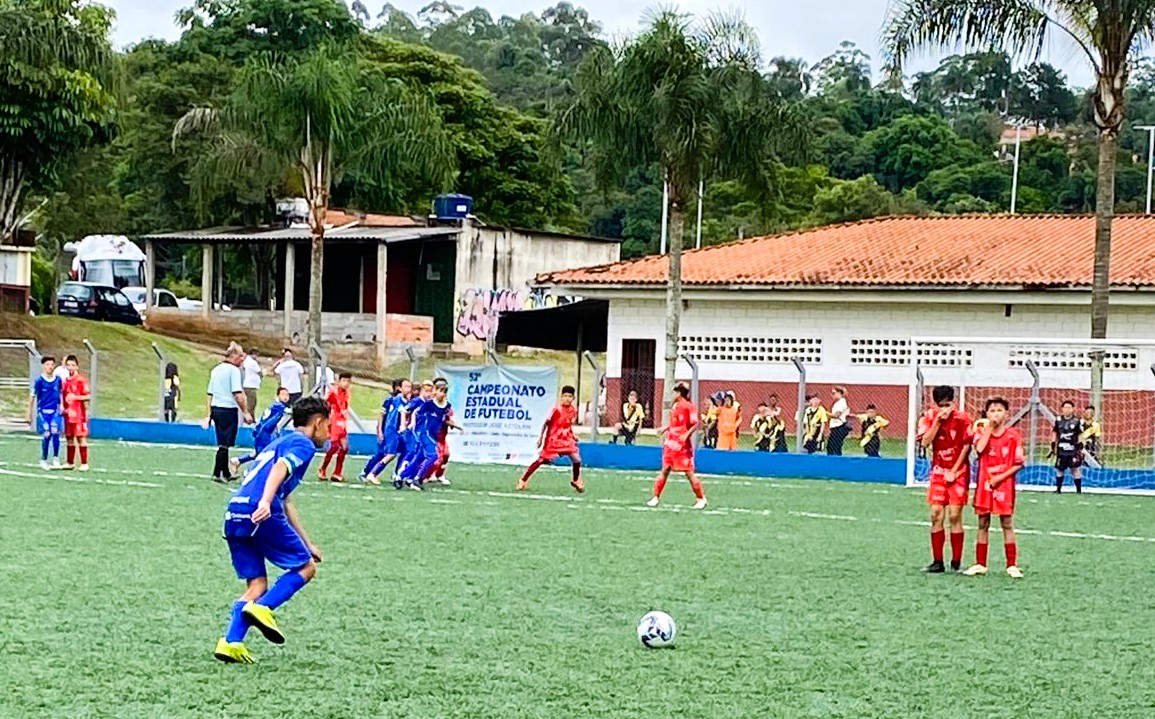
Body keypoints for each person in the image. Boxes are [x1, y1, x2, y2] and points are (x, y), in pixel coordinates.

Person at [214, 396, 330, 664]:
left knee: (257, 584)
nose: (329, 431)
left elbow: (286, 500)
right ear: (317, 422)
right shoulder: (302, 444)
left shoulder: (278, 442)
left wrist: (307, 542)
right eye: (328, 424)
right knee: (306, 568)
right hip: (259, 510)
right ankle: (263, 608)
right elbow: (280, 469)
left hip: (235, 511)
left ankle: (230, 642)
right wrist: (266, 502)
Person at [963, 397, 1025, 579]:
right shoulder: (982, 432)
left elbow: (1019, 463)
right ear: (987, 414)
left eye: (999, 410)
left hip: (1004, 484)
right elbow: (980, 450)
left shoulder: (1013, 436)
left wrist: (1000, 477)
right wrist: (989, 429)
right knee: (983, 523)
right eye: (992, 410)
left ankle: (1012, 565)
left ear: (1006, 414)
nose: (995, 414)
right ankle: (980, 563)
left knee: (1006, 523)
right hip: (984, 484)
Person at [917, 386, 972, 573]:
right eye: (941, 405)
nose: (944, 409)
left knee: (955, 515)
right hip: (938, 471)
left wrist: (955, 471)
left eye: (947, 405)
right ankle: (937, 561)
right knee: (936, 514)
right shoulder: (928, 418)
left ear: (953, 403)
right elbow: (924, 442)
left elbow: (967, 446)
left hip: (958, 471)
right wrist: (937, 423)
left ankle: (956, 561)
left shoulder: (963, 418)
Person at [648, 383, 706, 509]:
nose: (673, 395)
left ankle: (701, 498)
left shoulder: (689, 407)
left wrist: (686, 434)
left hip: (682, 445)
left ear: (679, 393)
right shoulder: (675, 406)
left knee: (689, 472)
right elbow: (674, 424)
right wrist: (665, 428)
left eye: (675, 392)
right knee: (665, 469)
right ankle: (655, 497)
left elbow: (695, 424)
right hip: (671, 442)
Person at [517, 385, 585, 494]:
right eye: (565, 396)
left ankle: (576, 480)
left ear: (573, 398)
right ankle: (523, 479)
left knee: (577, 459)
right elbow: (546, 423)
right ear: (561, 397)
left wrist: (573, 435)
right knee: (542, 460)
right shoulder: (556, 410)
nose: (567, 398)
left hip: (566, 439)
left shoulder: (573, 410)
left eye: (570, 396)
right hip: (554, 440)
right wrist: (540, 438)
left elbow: (567, 425)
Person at [398, 378, 459, 490]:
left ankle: (402, 476)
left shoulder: (447, 406)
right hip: (425, 433)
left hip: (434, 434)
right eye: (440, 391)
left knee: (419, 457)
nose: (442, 394)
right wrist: (410, 424)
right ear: (435, 391)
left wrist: (455, 425)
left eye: (444, 392)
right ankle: (418, 479)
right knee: (433, 455)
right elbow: (414, 412)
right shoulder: (428, 404)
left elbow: (443, 419)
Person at [204, 343, 253, 483]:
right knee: (225, 443)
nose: (242, 359)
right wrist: (245, 412)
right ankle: (218, 473)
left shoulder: (216, 370)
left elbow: (210, 393)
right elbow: (237, 393)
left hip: (216, 408)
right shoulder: (233, 371)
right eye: (240, 355)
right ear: (232, 356)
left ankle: (223, 471)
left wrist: (209, 414)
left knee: (222, 441)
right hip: (228, 408)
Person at [231, 386, 292, 476]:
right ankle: (249, 471)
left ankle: (237, 461)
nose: (285, 397)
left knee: (256, 453)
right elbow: (289, 412)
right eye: (283, 394)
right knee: (266, 454)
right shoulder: (279, 406)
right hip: (264, 433)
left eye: (287, 395)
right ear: (277, 396)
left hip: (263, 432)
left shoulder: (277, 406)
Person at [360, 379, 411, 485]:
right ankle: (368, 472)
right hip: (390, 430)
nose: (409, 389)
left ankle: (397, 474)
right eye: (406, 386)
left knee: (405, 451)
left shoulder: (406, 401)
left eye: (409, 387)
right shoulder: (394, 400)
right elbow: (382, 416)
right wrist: (379, 430)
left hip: (399, 432)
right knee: (384, 453)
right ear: (399, 388)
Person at [28, 355, 63, 470]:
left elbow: (61, 394)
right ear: (43, 366)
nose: (50, 367)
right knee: (47, 433)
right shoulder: (39, 381)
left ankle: (56, 458)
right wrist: (29, 414)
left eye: (52, 364)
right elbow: (32, 397)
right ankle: (43, 459)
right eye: (48, 364)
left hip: (55, 411)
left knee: (55, 431)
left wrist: (61, 405)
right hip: (43, 411)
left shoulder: (58, 380)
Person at [318, 372, 352, 482]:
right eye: (344, 381)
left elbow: (345, 407)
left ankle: (337, 472)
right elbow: (324, 403)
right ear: (338, 381)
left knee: (344, 448)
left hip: (342, 423)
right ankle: (322, 469)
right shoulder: (333, 392)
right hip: (333, 422)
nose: (346, 383)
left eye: (348, 381)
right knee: (335, 446)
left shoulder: (346, 393)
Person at [61, 355, 91, 471]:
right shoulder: (65, 381)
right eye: (68, 365)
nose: (70, 367)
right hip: (68, 414)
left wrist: (76, 397)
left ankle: (84, 463)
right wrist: (63, 406)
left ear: (77, 366)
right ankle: (70, 462)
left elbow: (87, 396)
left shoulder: (81, 380)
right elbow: (63, 396)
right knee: (69, 438)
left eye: (73, 365)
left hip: (79, 414)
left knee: (80, 438)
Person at [1052, 400, 1084, 493]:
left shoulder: (1077, 421)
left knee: (1075, 469)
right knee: (1059, 469)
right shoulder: (1058, 421)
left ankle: (1078, 490)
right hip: (1061, 449)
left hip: (1072, 449)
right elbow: (1054, 432)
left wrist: (1080, 445)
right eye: (1065, 407)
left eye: (1069, 408)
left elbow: (1080, 434)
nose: (1067, 410)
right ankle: (1058, 489)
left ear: (1073, 409)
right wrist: (1053, 444)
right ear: (1062, 409)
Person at [826, 386, 851, 456]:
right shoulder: (837, 403)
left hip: (839, 427)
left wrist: (824, 412)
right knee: (831, 447)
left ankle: (837, 461)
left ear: (839, 393)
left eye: (834, 393)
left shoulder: (842, 402)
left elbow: (836, 415)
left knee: (835, 447)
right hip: (835, 427)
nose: (832, 395)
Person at [242, 349, 264, 419]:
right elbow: (259, 372)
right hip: (251, 385)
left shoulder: (245, 361)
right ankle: (250, 418)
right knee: (251, 403)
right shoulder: (253, 362)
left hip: (245, 384)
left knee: (247, 402)